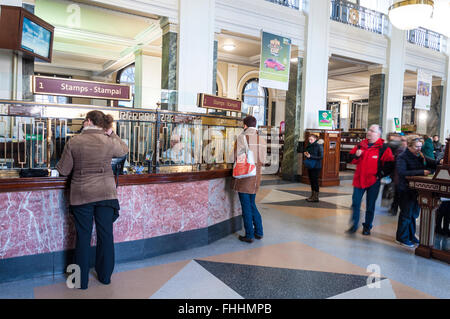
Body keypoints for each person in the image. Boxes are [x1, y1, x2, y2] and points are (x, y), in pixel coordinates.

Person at [56, 110, 129, 289]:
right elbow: (124, 150)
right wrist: (111, 132)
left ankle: (80, 281)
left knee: (83, 236)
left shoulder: (74, 141)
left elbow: (64, 170)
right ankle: (105, 277)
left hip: (82, 194)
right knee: (106, 235)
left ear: (88, 121)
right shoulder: (109, 141)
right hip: (106, 193)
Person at [346, 124, 395, 235]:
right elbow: (349, 158)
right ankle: (354, 225)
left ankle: (367, 226)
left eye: (372, 131)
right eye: (369, 130)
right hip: (359, 180)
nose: (369, 132)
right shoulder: (360, 145)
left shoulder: (384, 147)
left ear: (378, 134)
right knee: (355, 203)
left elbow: (390, 164)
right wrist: (357, 156)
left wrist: (380, 175)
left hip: (373, 181)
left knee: (370, 205)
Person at [395, 135, 441, 248]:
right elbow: (402, 172)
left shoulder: (420, 155)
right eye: (416, 146)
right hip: (405, 189)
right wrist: (421, 172)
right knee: (406, 214)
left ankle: (411, 235)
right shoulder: (403, 156)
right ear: (409, 146)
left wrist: (440, 162)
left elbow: (432, 163)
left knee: (413, 214)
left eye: (420, 146)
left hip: (416, 190)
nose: (419, 149)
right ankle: (402, 238)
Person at [232, 115, 267, 243]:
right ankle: (259, 231)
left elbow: (234, 156)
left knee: (246, 205)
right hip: (256, 176)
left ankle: (249, 235)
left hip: (245, 176)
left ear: (245, 125)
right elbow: (263, 159)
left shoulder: (242, 137)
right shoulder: (261, 139)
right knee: (252, 203)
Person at [388, 134, 407, 216]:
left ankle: (395, 208)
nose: (402, 142)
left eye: (404, 140)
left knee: (399, 194)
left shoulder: (407, 151)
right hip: (397, 176)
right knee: (396, 193)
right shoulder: (398, 150)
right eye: (401, 140)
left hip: (403, 177)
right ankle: (394, 208)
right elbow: (393, 163)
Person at [303, 134, 324, 202]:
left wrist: (310, 156)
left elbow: (321, 157)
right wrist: (306, 154)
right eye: (309, 139)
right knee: (311, 181)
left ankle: (316, 197)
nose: (310, 141)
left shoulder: (319, 145)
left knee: (315, 181)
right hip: (310, 165)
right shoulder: (310, 146)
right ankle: (312, 195)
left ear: (315, 139)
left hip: (316, 166)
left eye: (311, 139)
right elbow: (309, 153)